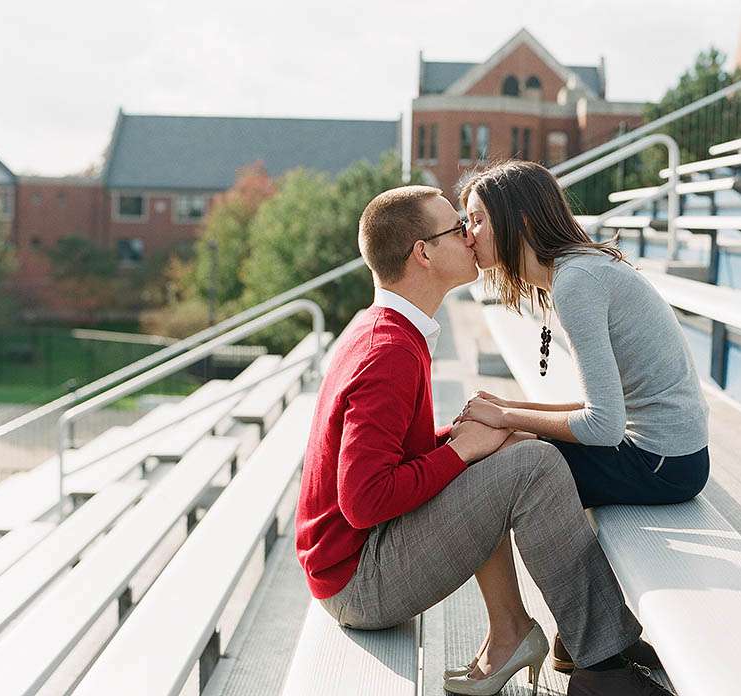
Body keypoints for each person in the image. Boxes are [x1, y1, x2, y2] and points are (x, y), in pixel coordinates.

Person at [295, 185, 672, 696]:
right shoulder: (389, 352)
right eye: (456, 228)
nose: (470, 238)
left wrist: (468, 437)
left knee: (509, 449)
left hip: (358, 563)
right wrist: (459, 449)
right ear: (422, 253)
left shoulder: (389, 330)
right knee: (532, 464)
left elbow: (396, 461)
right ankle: (603, 661)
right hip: (358, 583)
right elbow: (363, 502)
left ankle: (537, 635)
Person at [456, 159, 711, 679]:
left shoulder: (577, 283)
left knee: (499, 470)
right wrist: (513, 418)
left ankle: (541, 636)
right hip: (661, 454)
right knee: (509, 451)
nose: (468, 233)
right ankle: (580, 634)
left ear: (520, 221)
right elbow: (598, 411)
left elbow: (603, 427)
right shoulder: (572, 274)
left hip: (663, 462)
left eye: (478, 218)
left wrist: (507, 416)